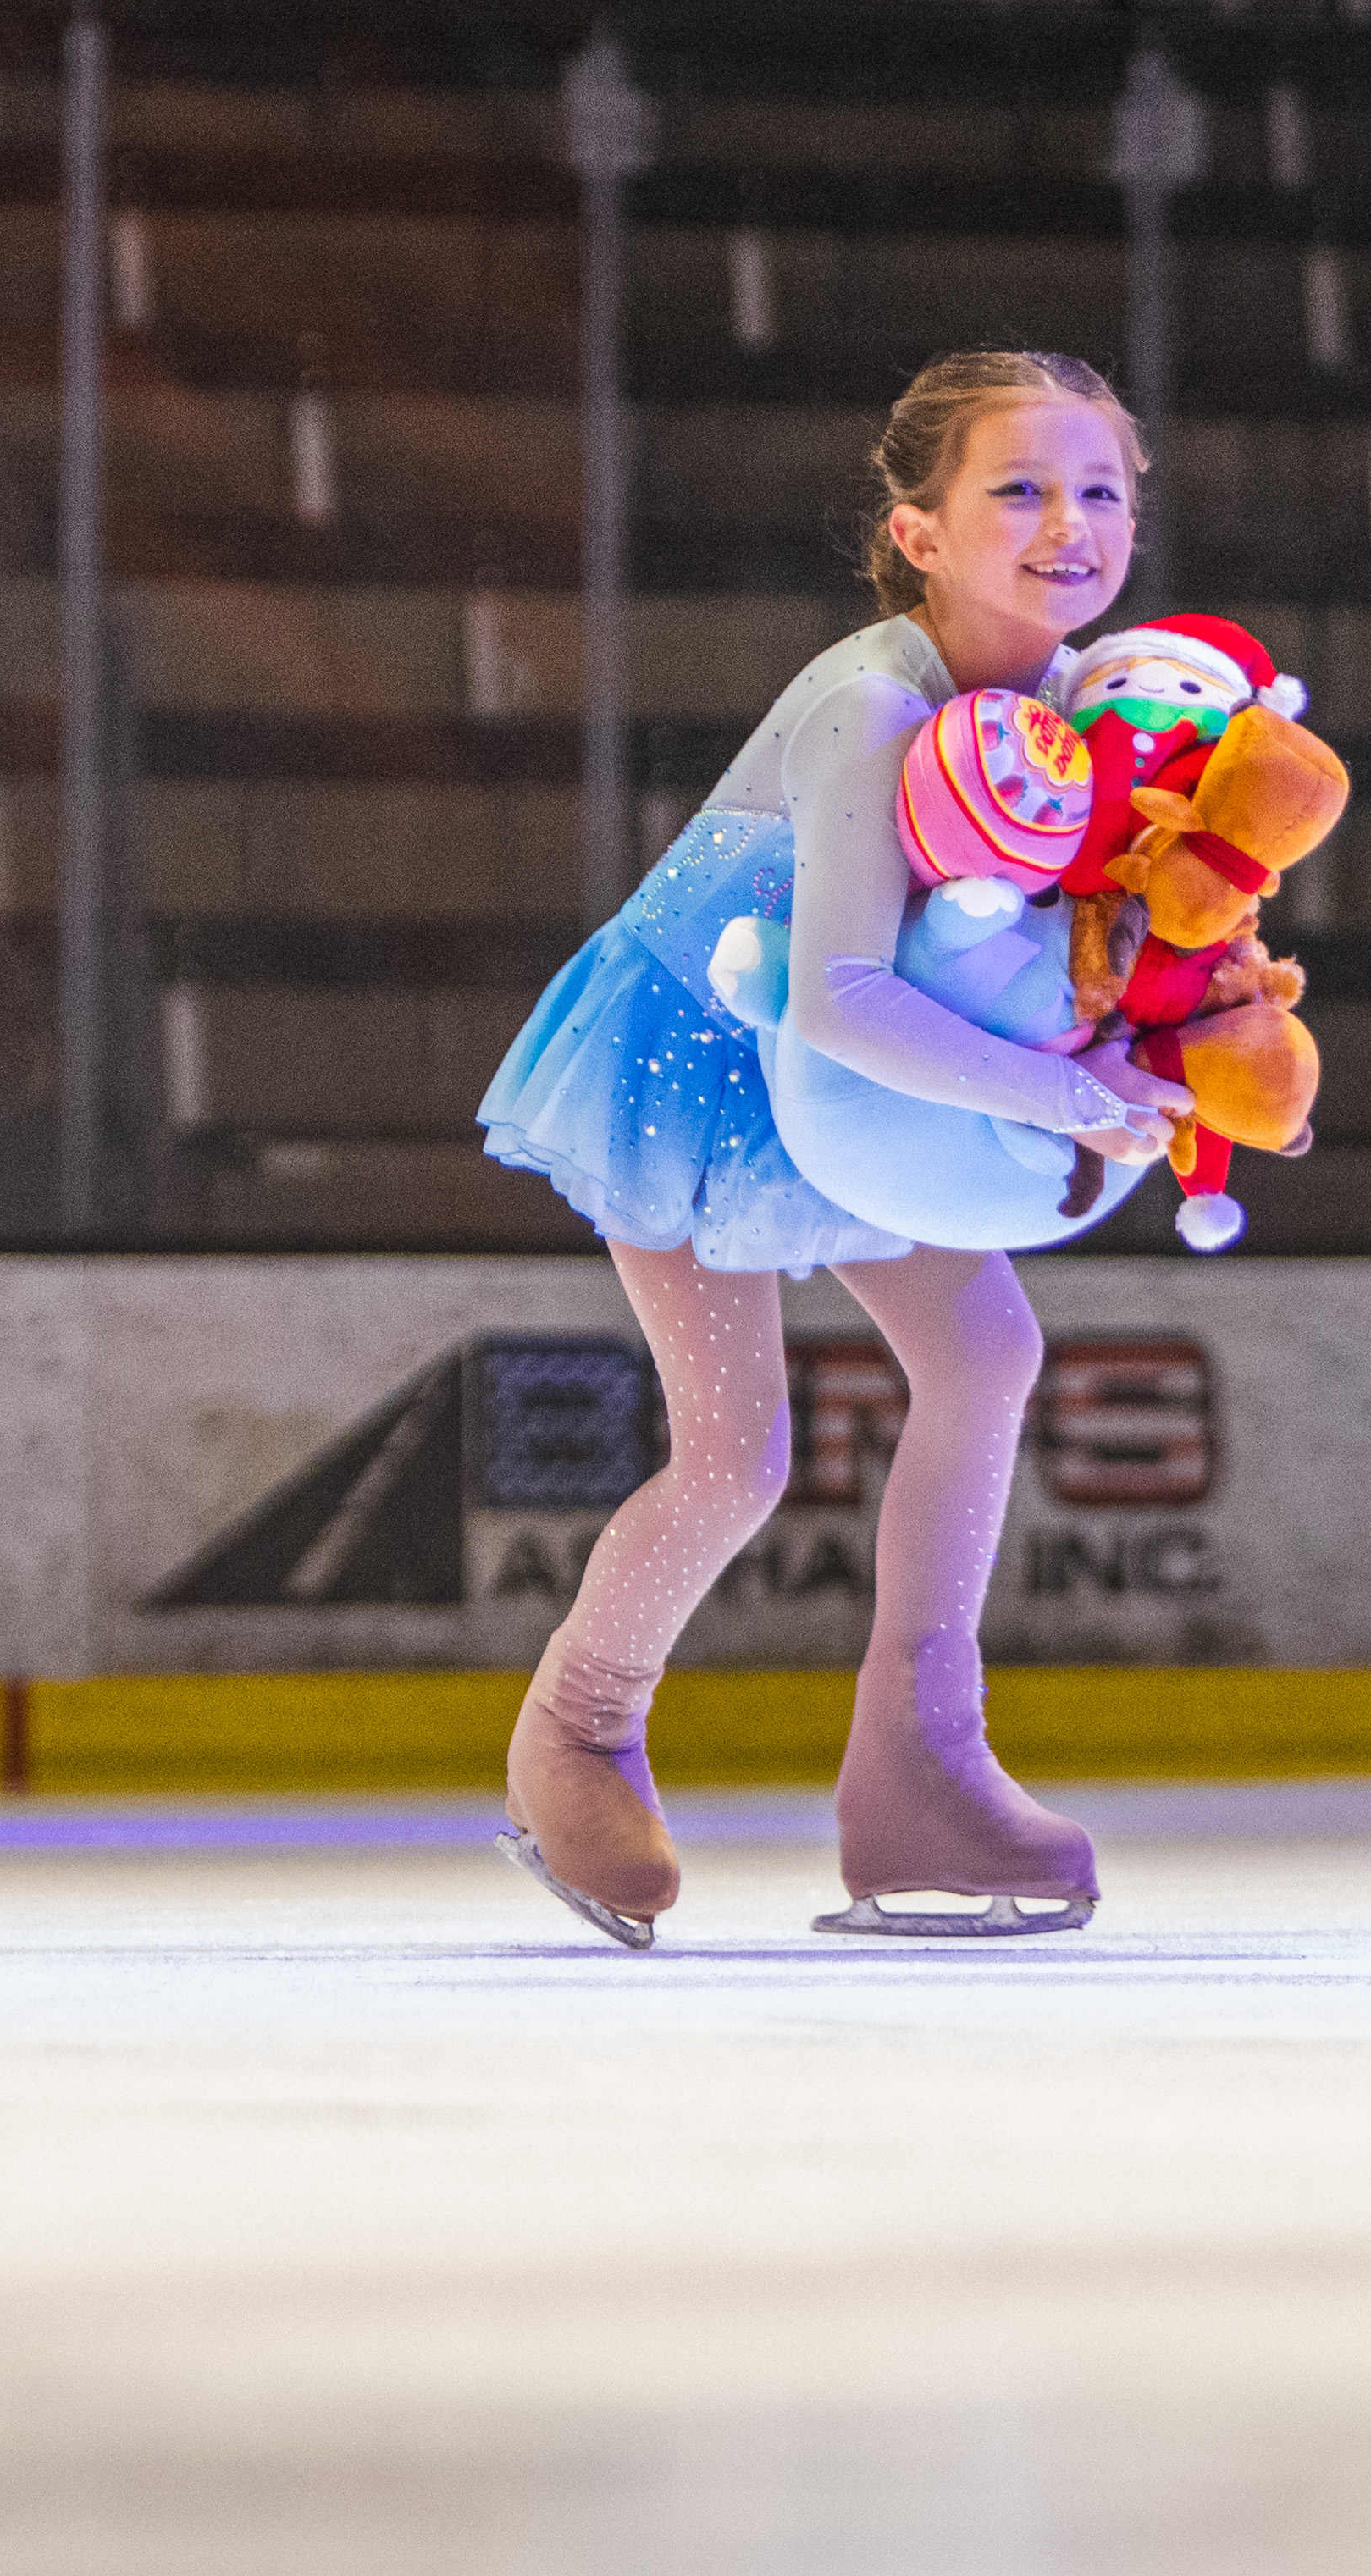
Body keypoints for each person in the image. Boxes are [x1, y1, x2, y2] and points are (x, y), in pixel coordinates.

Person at [474, 350, 1180, 1945]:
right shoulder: (873, 703)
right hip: (696, 1064)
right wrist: (1058, 1100)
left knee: (985, 1354)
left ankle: (920, 1764)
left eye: (1099, 491)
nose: (1066, 523)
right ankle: (576, 1729)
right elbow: (842, 992)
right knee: (738, 1453)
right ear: (919, 532)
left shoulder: (1082, 707)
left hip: (872, 1080)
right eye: (1018, 488)